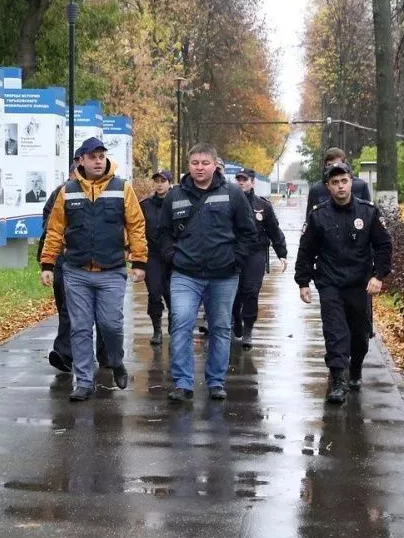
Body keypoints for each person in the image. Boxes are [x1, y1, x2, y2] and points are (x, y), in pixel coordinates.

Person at [40, 137, 148, 401]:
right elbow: (54, 230)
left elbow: (136, 225)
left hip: (111, 270)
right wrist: (47, 263)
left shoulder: (122, 188)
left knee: (110, 324)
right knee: (80, 327)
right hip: (76, 271)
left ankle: (116, 361)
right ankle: (84, 382)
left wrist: (139, 261)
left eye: (101, 156)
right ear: (82, 161)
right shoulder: (67, 191)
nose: (98, 161)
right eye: (92, 157)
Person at [159, 142, 258, 402]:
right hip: (185, 274)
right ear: (188, 166)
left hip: (223, 275)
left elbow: (248, 232)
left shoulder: (233, 193)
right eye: (195, 163)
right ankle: (183, 383)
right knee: (180, 323)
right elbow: (163, 233)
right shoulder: (175, 195)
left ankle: (216, 382)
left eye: (205, 163)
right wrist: (173, 257)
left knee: (220, 327)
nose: (200, 168)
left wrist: (235, 259)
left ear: (215, 165)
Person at [295, 162, 392, 405]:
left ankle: (356, 367)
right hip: (330, 283)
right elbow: (306, 250)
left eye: (344, 181)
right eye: (335, 183)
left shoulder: (368, 212)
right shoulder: (318, 215)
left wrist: (378, 276)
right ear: (328, 187)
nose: (340, 187)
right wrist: (303, 281)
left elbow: (383, 246)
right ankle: (338, 380)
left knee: (359, 334)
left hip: (360, 284)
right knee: (335, 331)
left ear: (351, 182)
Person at [38, 158, 107, 375]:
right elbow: (50, 227)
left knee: (104, 314)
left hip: (100, 262)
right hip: (65, 261)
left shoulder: (107, 190)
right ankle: (65, 353)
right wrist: (48, 261)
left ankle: (106, 354)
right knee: (68, 310)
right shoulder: (61, 193)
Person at [231, 167, 288, 349]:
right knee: (234, 293)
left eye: (245, 179)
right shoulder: (228, 203)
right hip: (234, 253)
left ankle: (248, 329)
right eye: (238, 179)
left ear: (252, 182)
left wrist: (282, 253)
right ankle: (236, 319)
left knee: (251, 291)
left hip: (256, 254)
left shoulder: (263, 206)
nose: (241, 182)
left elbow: (274, 230)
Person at [140, 170, 174, 346]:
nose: (159, 184)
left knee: (172, 294)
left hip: (173, 256)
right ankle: (157, 329)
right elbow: (136, 228)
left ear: (170, 183)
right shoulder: (145, 205)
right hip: (152, 255)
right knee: (154, 293)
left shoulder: (177, 202)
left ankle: (174, 328)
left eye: (163, 181)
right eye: (157, 181)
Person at [305, 147, 371, 215]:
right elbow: (311, 217)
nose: (333, 168)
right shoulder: (316, 190)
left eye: (338, 164)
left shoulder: (360, 186)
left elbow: (368, 213)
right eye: (330, 165)